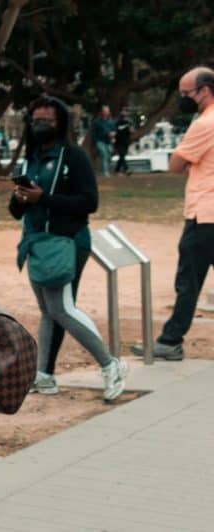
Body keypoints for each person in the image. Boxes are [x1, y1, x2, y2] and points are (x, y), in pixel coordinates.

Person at [10, 95, 129, 399]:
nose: (41, 125)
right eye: (36, 120)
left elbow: (89, 202)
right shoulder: (31, 157)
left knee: (62, 307)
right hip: (36, 243)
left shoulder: (74, 157)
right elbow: (16, 210)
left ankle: (111, 364)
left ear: (60, 122)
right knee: (49, 311)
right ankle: (45, 375)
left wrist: (44, 199)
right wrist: (21, 199)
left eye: (47, 120)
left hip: (67, 242)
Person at [131, 67, 214, 361]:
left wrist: (191, 163)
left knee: (188, 282)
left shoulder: (205, 124)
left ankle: (170, 340)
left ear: (204, 91)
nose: (183, 98)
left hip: (204, 214)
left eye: (186, 93)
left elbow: (175, 164)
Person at [90, 105, 116, 177]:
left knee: (109, 155)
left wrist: (113, 134)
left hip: (108, 141)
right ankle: (105, 172)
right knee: (104, 154)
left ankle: (102, 170)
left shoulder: (111, 122)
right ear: (102, 112)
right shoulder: (96, 122)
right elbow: (93, 133)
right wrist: (94, 142)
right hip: (100, 141)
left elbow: (114, 130)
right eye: (104, 111)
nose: (106, 112)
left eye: (107, 111)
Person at [114, 110, 133, 175]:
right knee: (122, 155)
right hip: (119, 142)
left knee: (122, 156)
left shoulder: (128, 123)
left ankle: (117, 170)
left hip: (125, 142)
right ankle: (126, 169)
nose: (124, 117)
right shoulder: (117, 123)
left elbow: (131, 131)